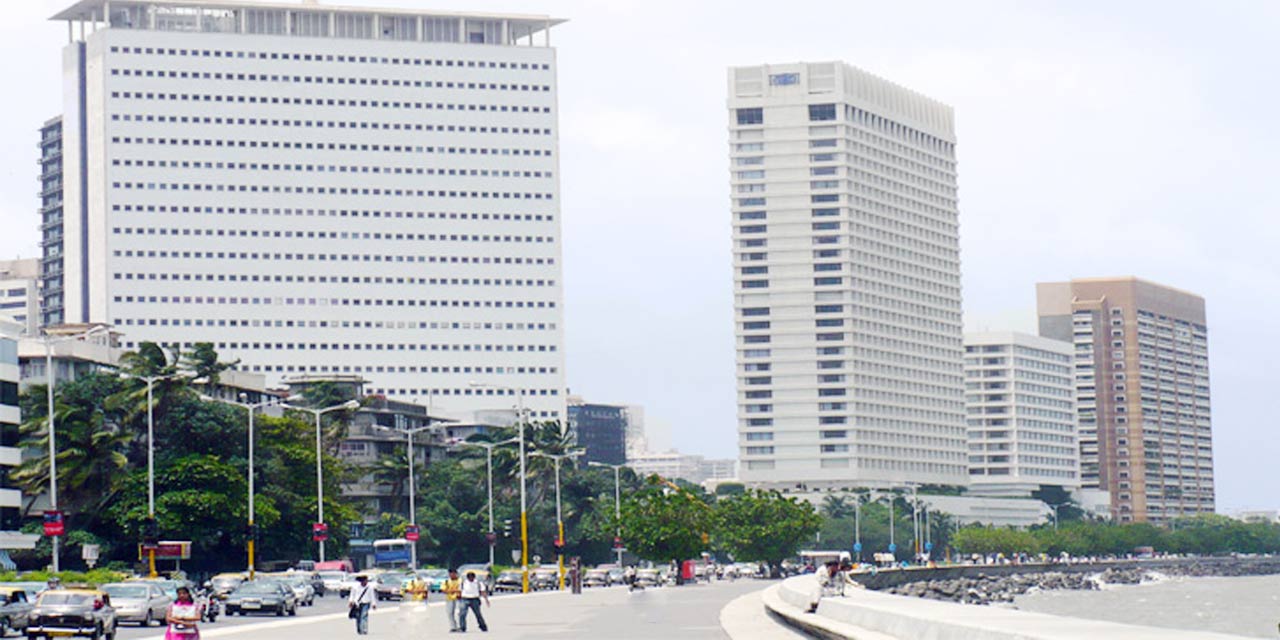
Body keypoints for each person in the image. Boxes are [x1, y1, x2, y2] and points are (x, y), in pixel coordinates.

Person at [441, 569, 463, 633]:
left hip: (459, 598)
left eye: (453, 573)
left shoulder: (460, 581)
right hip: (449, 598)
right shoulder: (447, 581)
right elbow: (443, 590)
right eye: (450, 574)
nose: (452, 575)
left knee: (459, 613)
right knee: (450, 613)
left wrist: (451, 591)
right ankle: (453, 627)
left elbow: (461, 589)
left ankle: (461, 626)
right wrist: (453, 591)